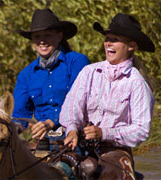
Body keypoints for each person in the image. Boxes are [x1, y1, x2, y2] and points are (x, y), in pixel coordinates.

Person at [60, 13, 155, 179]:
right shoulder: (89, 72)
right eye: (107, 38)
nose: (108, 43)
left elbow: (141, 130)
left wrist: (104, 133)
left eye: (115, 39)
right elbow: (71, 107)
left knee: (106, 174)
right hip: (80, 144)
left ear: (131, 46)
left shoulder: (137, 83)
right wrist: (72, 130)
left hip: (115, 150)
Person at [12, 8, 90, 150]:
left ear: (60, 36)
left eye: (47, 35)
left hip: (76, 139)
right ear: (32, 41)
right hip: (43, 143)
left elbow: (78, 101)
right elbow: (19, 116)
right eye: (37, 37)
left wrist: (50, 122)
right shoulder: (26, 75)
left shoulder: (77, 62)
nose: (42, 41)